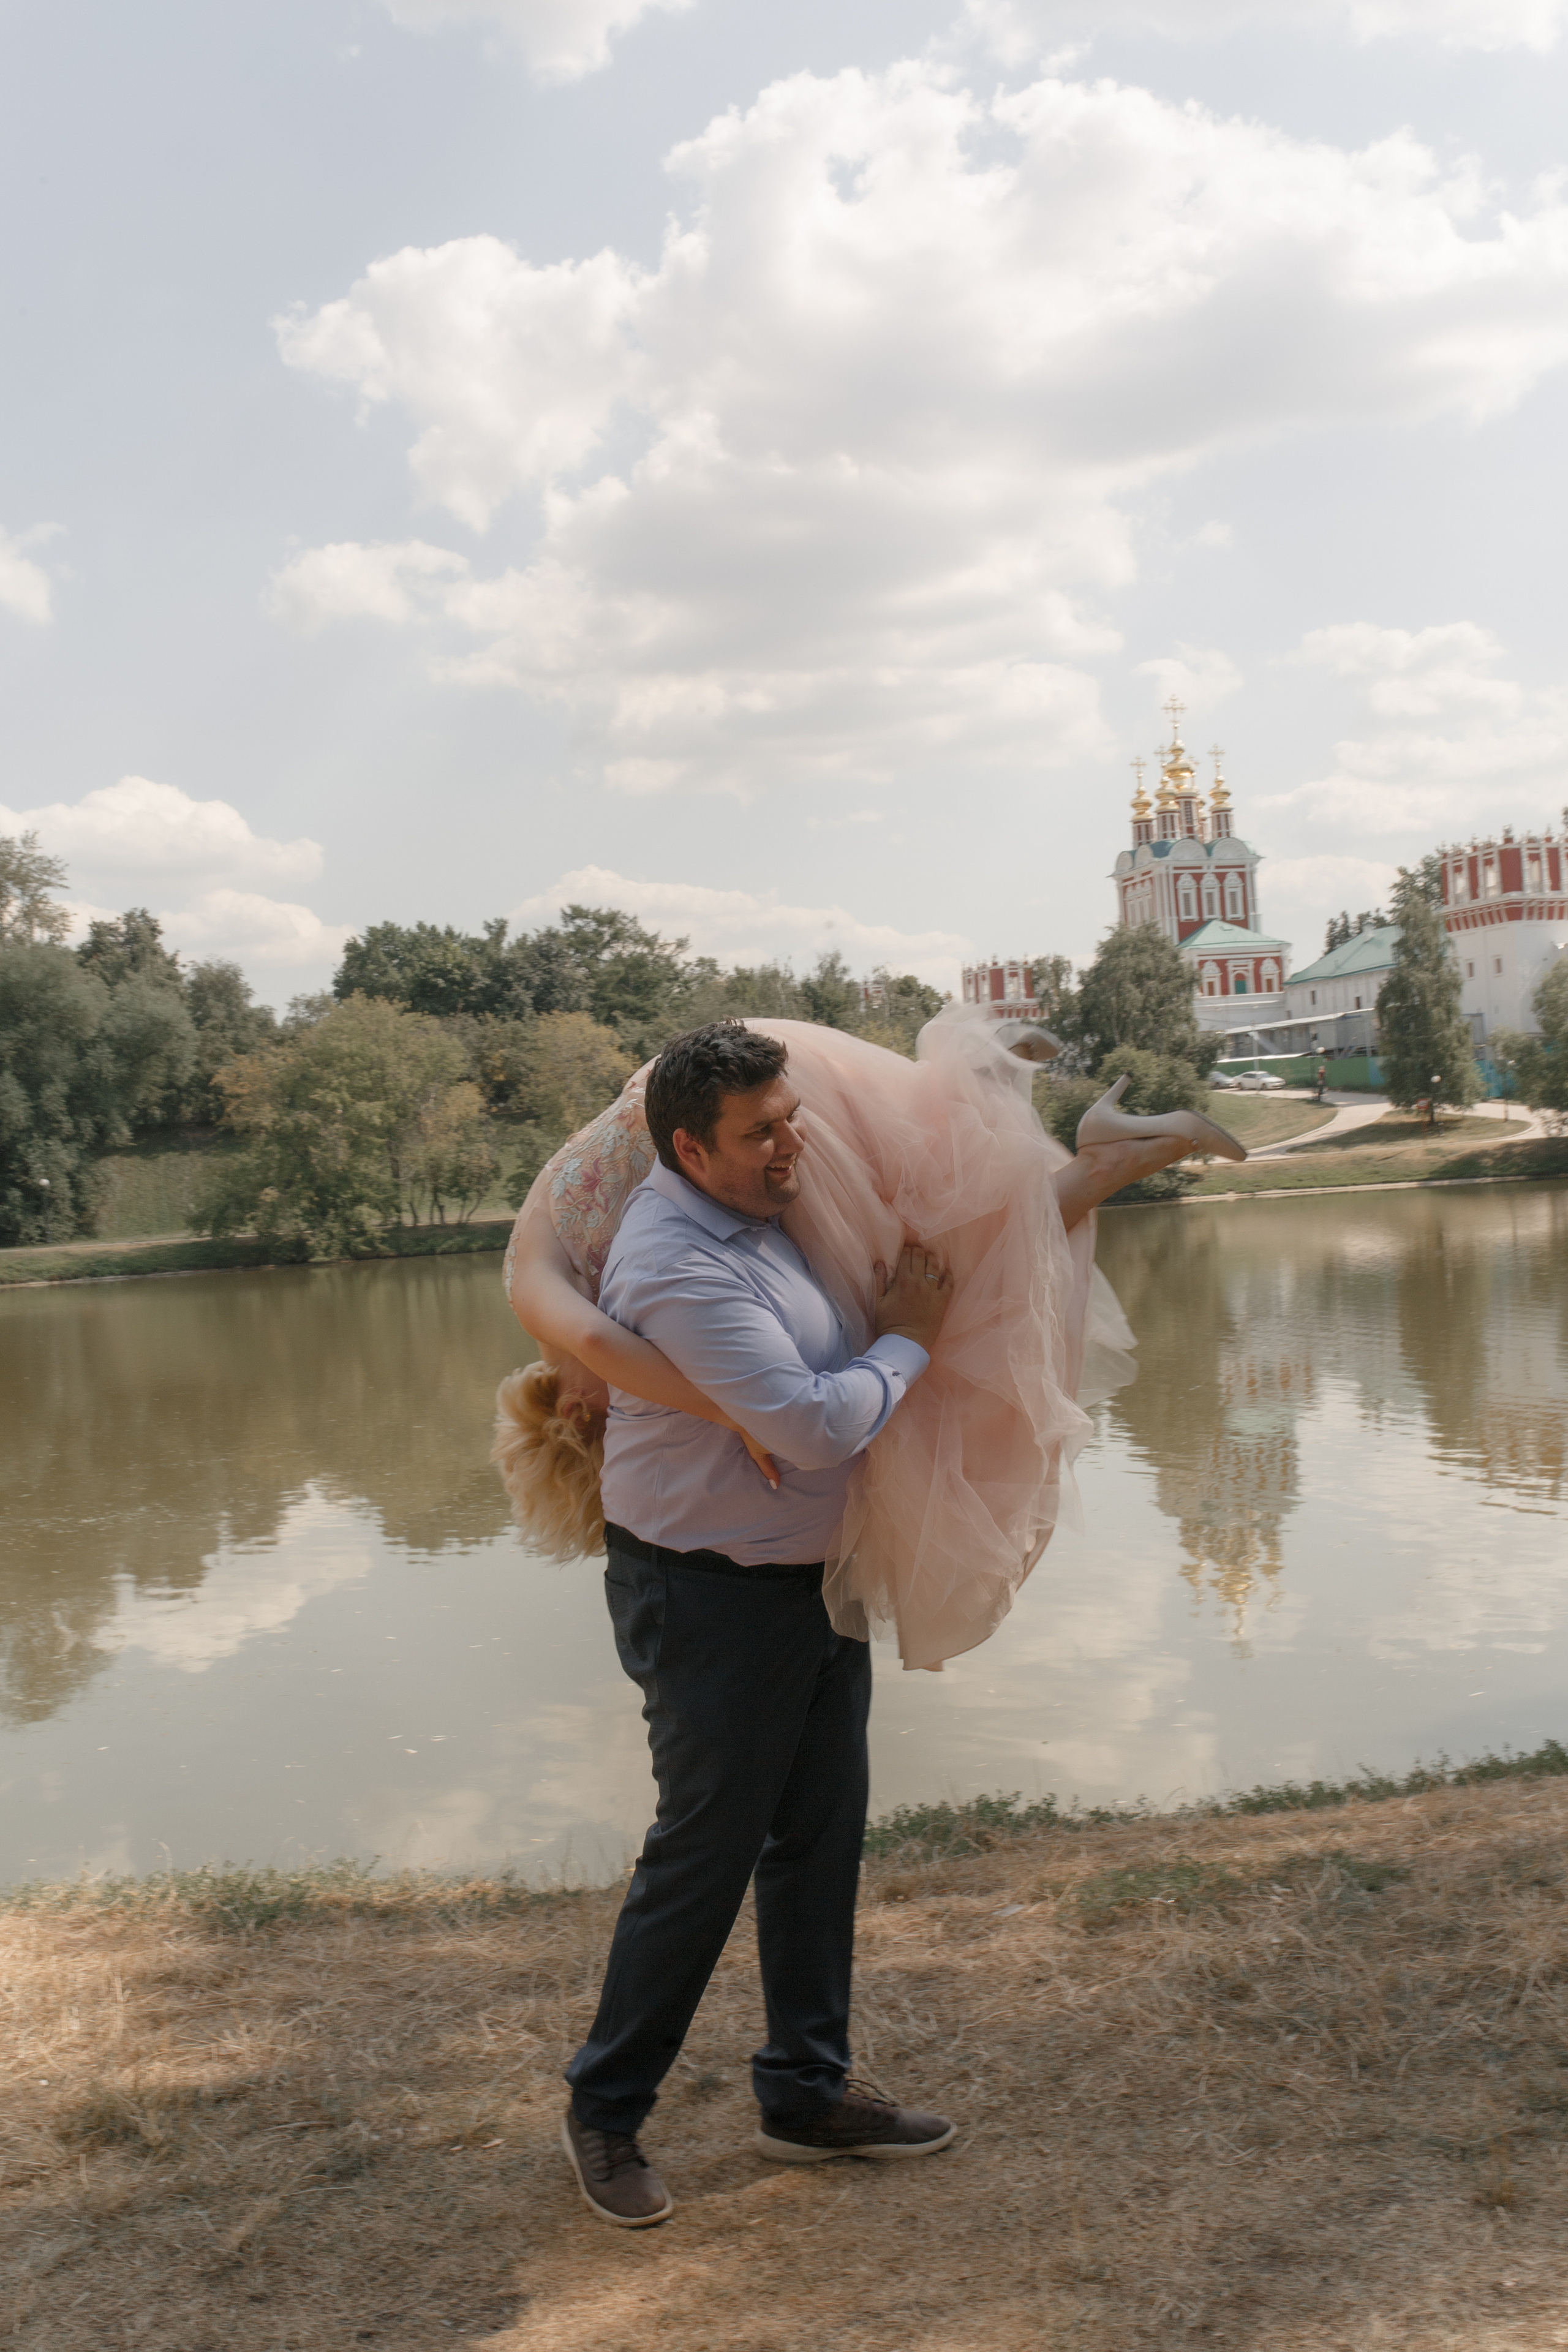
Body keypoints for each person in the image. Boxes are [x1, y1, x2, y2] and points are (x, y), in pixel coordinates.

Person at [499, 1014, 1210, 2228]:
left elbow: (906, 1245)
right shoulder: (679, 1263)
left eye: (791, 1120)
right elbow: (819, 1425)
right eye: (760, 1133)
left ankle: (804, 2094)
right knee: (704, 1852)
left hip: (800, 1579)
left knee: (817, 1837)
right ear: (686, 1147)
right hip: (704, 1591)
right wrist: (907, 1341)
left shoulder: (777, 1206)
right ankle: (604, 2113)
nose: (791, 1145)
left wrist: (1049, 1189)